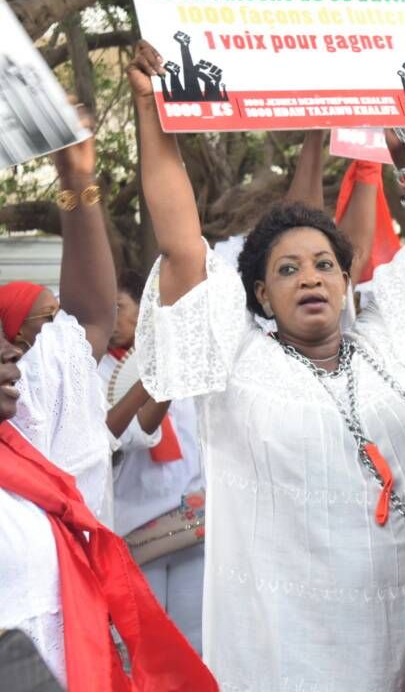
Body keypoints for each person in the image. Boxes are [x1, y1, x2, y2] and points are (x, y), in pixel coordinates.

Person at [127, 38, 405, 691]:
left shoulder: (391, 338)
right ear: (260, 294)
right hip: (285, 651)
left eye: (323, 265)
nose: (309, 279)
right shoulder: (238, 359)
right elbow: (180, 246)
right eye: (287, 270)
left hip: (398, 633)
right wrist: (153, 114)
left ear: (347, 280)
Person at [0, 107, 212, 689]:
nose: (12, 357)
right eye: (35, 323)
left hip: (87, 637)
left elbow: (88, 315)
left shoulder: (39, 381)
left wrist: (76, 177)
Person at [100, 269, 206, 653]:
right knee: (144, 640)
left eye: (120, 308)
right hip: (134, 527)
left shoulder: (188, 363)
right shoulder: (97, 372)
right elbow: (122, 440)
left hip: (191, 520)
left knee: (193, 636)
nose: (112, 321)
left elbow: (200, 440)